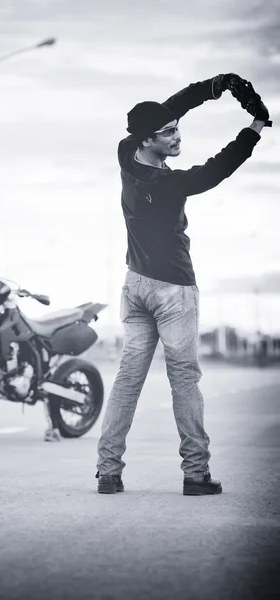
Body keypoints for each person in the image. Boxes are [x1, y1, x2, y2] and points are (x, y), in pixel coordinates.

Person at [95, 73, 270, 496]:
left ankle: (107, 473)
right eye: (169, 134)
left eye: (177, 129)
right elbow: (216, 170)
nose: (177, 136)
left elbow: (174, 105)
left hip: (134, 286)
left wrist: (218, 85)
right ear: (148, 140)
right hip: (173, 289)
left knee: (127, 381)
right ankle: (196, 475)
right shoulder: (169, 184)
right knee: (185, 380)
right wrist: (255, 129)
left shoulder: (126, 153)